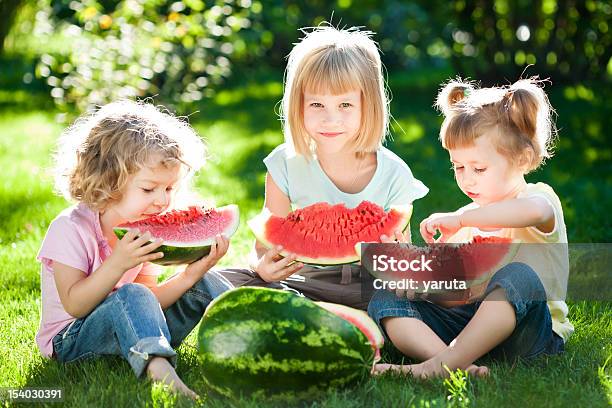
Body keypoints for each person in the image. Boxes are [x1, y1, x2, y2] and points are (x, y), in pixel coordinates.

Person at [368, 78, 572, 378]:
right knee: (384, 297)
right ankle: (454, 364)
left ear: (522, 158)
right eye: (458, 167)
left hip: (530, 336)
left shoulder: (539, 199)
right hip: (469, 332)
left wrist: (463, 219)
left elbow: (531, 212)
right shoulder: (463, 220)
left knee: (520, 277)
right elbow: (456, 295)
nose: (467, 179)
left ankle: (436, 367)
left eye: (478, 168)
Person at [220, 25, 428, 309]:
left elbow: (401, 256)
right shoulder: (284, 164)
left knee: (419, 293)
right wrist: (262, 267)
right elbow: (264, 248)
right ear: (298, 105)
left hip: (371, 287)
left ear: (368, 106)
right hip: (302, 282)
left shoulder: (394, 174)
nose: (331, 119)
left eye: (345, 105)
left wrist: (399, 264)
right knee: (221, 279)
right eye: (317, 104)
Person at [36, 100, 232, 398]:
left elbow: (149, 300)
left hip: (135, 330)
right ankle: (163, 376)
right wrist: (118, 263)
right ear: (108, 181)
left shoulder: (145, 227)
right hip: (73, 341)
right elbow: (75, 305)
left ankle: (256, 342)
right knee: (132, 294)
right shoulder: (69, 229)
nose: (162, 201)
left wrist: (192, 275)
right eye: (148, 189)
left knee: (207, 281)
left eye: (169, 188)